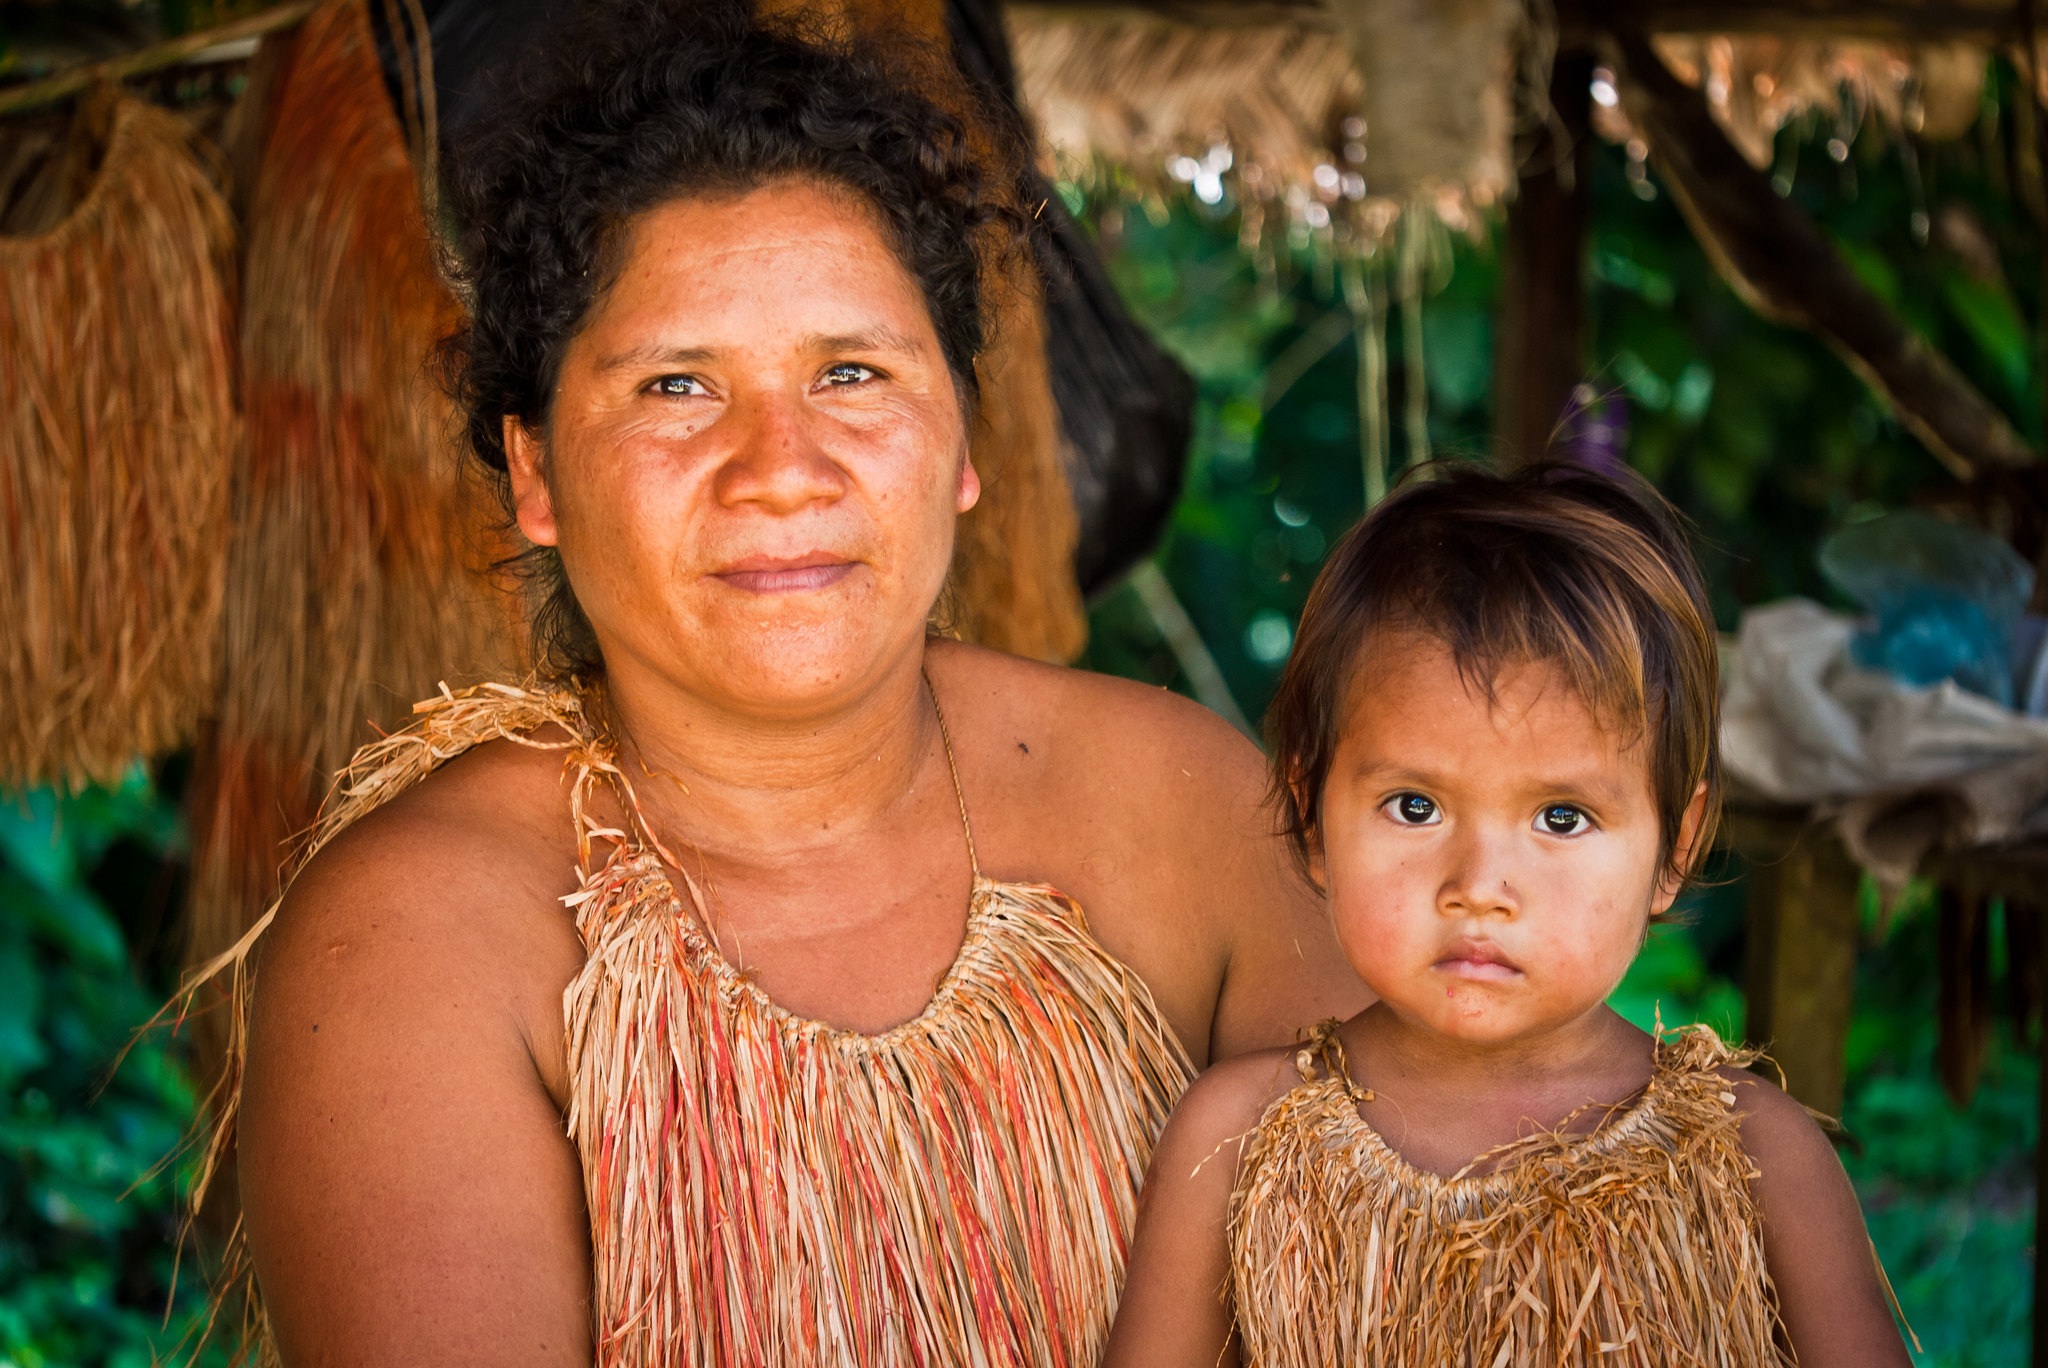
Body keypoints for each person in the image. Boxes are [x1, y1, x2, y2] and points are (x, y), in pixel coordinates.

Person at [208, 5, 1364, 1366]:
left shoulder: (1185, 814)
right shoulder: (423, 938)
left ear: (965, 442)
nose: (782, 467)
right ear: (534, 476)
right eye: (679, 386)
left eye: (853, 373)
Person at [1103, 463, 1913, 1368]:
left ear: (1673, 849)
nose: (1480, 884)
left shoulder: (1757, 1156)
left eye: (1561, 818)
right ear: (1312, 818)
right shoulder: (1237, 1139)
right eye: (1415, 806)